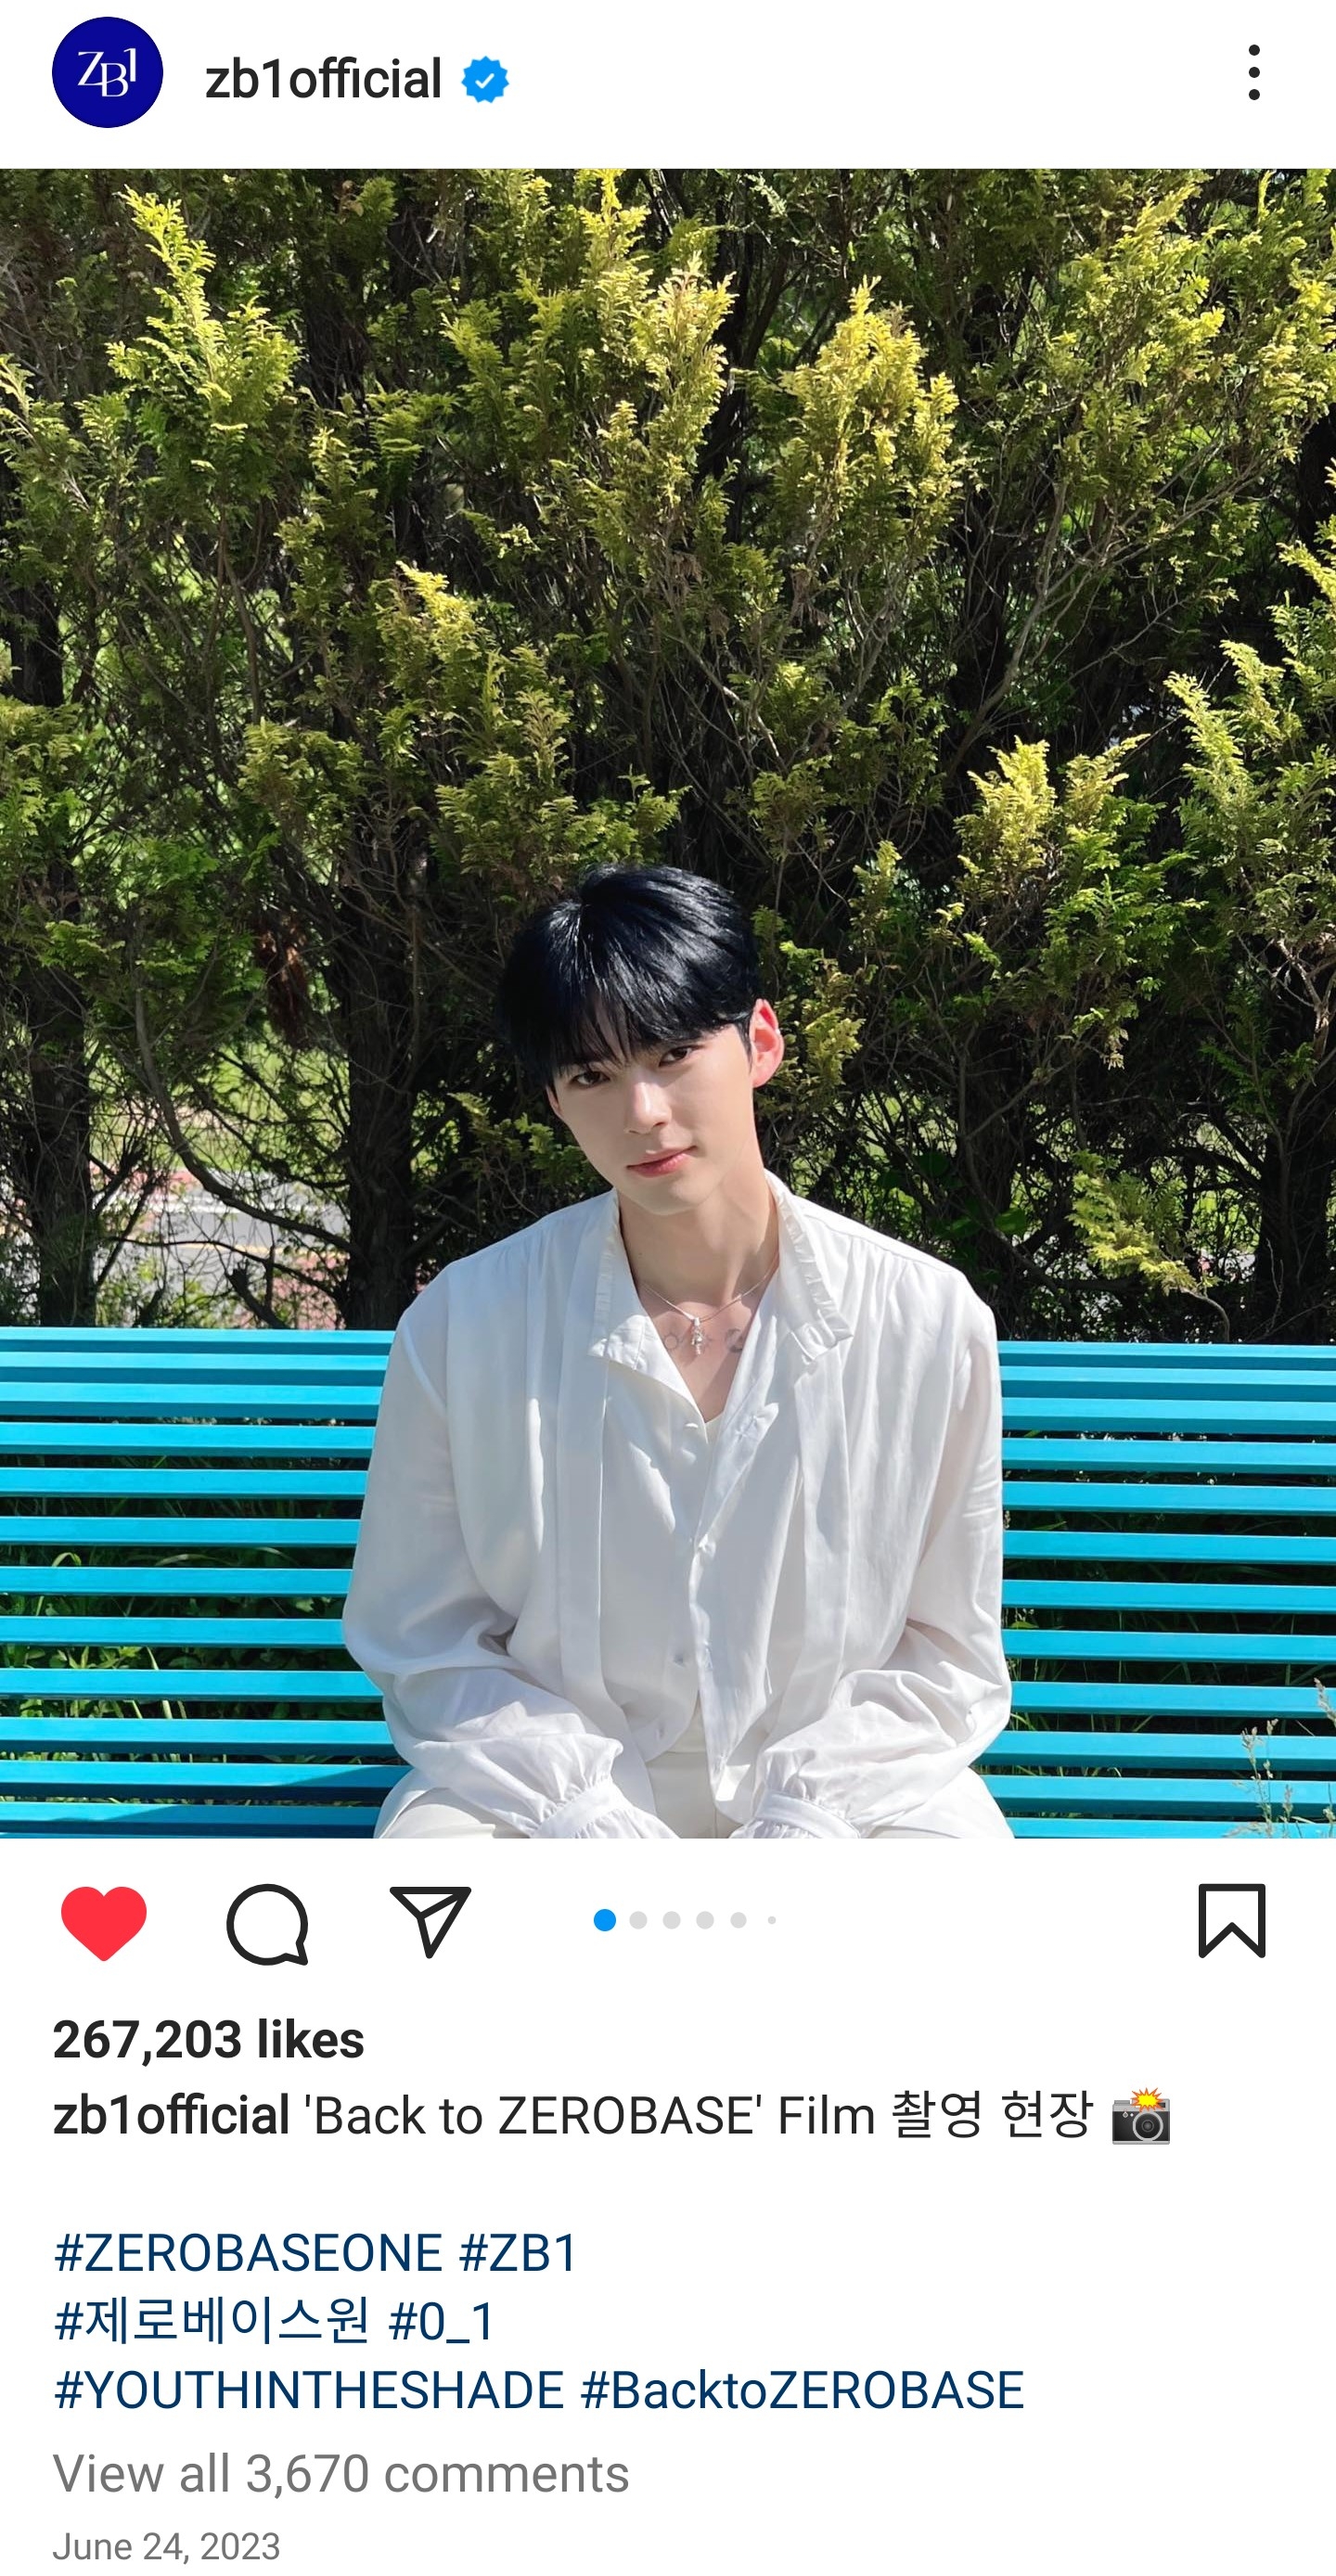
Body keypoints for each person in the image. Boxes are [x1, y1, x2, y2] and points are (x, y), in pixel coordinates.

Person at [341, 865, 1013, 1839]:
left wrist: (812, 1813)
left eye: (673, 1052)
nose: (643, 1110)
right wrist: (575, 1808)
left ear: (761, 1042)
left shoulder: (925, 1318)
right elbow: (423, 1636)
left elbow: (946, 1654)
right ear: (555, 1099)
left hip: (862, 1790)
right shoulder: (466, 1321)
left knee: (959, 1909)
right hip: (533, 1792)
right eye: (592, 1075)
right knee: (432, 1885)